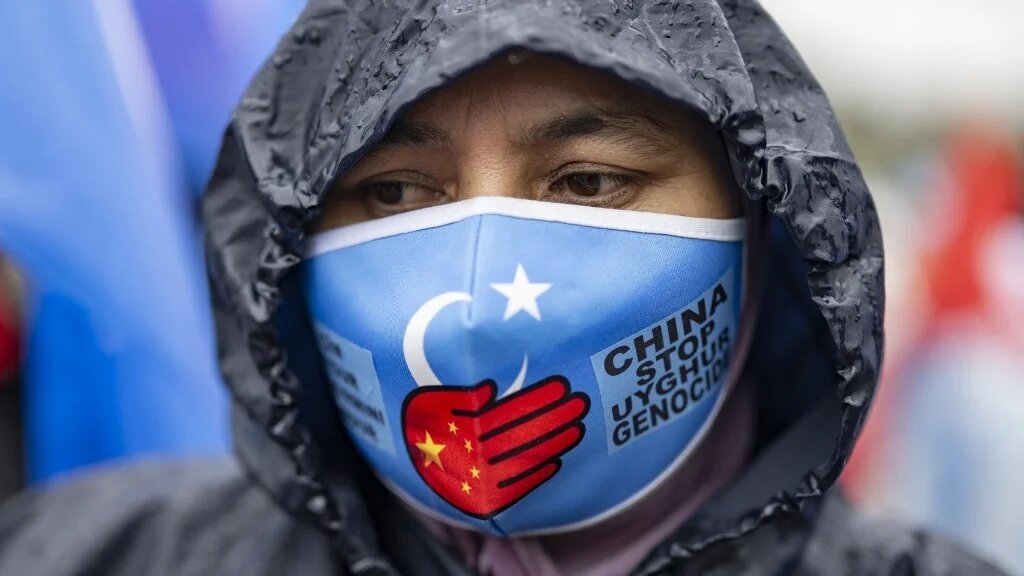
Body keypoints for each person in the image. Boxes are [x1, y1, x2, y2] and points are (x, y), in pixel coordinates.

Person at [0, 1, 1008, 575]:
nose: (478, 298)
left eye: (586, 182)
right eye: (393, 191)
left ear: (762, 225)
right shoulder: (99, 557)